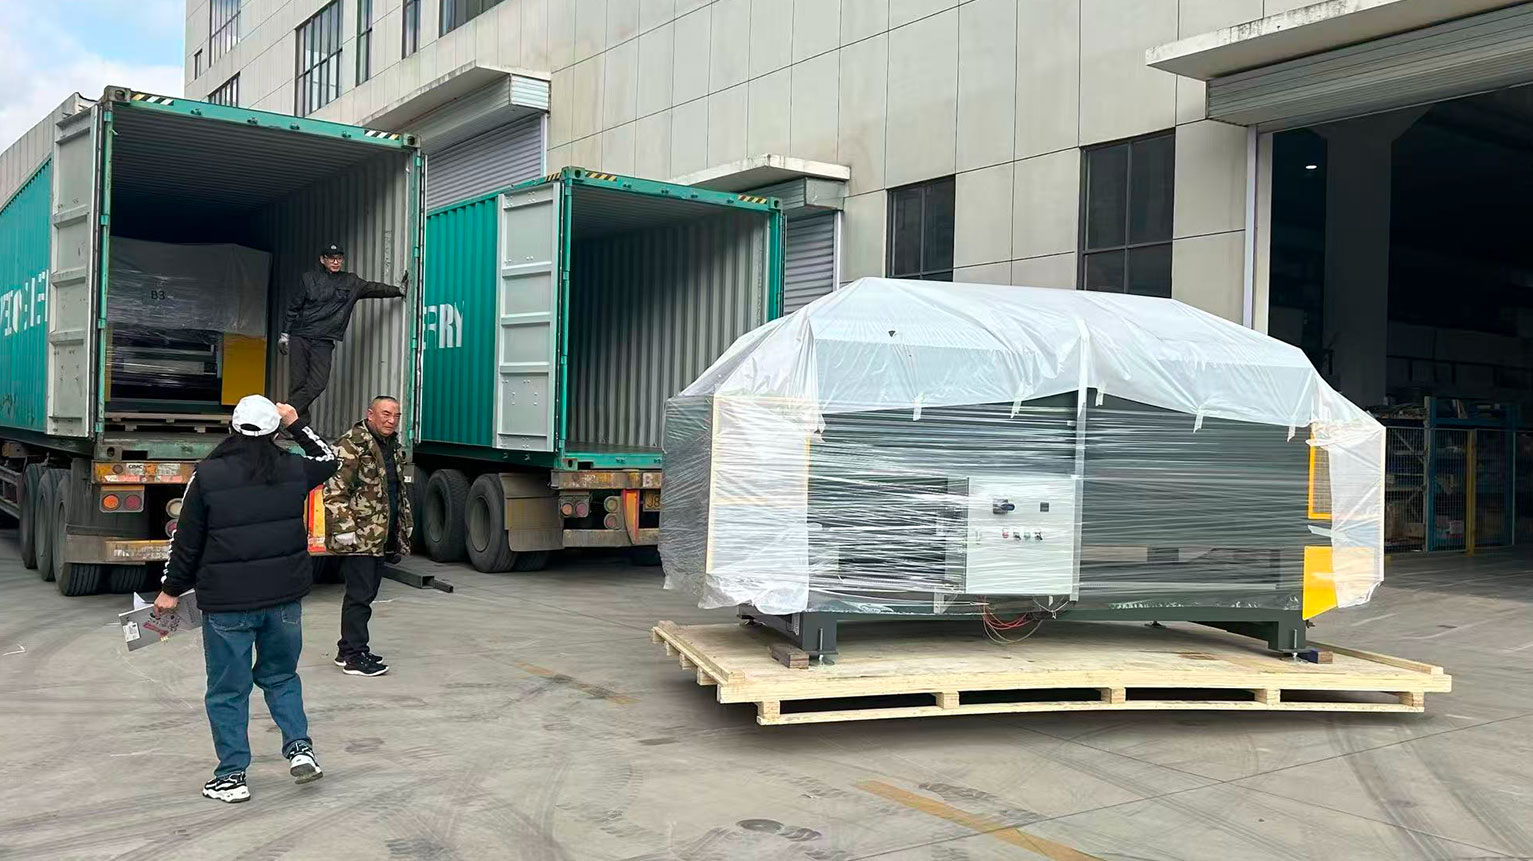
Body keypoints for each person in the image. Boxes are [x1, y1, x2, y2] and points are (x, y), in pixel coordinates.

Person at [155, 396, 340, 804]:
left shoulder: (208, 474)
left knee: (228, 690)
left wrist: (171, 590)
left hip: (227, 603)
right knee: (281, 676)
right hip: (283, 599)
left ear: (233, 428)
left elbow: (186, 540)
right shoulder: (294, 469)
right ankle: (299, 749)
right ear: (274, 432)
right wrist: (295, 423)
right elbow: (330, 459)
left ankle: (231, 776)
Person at [325, 395, 414, 677]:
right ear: (370, 414)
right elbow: (335, 489)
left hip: (379, 534)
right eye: (385, 414)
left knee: (367, 593)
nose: (391, 420)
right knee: (360, 596)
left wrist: (403, 526)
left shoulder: (391, 445)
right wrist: (344, 528)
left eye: (396, 415)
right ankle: (354, 655)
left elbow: (395, 490)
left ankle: (347, 649)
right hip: (359, 534)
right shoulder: (352, 444)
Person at [280, 243, 409, 425]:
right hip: (300, 335)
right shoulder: (308, 279)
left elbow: (373, 288)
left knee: (318, 383)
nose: (336, 262)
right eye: (331, 258)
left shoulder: (351, 281)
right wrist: (285, 333)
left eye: (339, 258)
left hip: (324, 340)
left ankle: (279, 415)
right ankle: (297, 426)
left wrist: (398, 290)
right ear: (322, 260)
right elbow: (294, 306)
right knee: (298, 384)